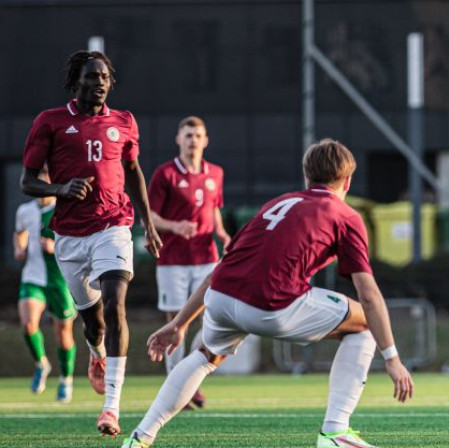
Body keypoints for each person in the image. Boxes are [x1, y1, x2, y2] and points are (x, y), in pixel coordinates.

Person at [121, 139, 414, 448]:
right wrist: (391, 358)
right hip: (270, 305)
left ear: (306, 176)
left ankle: (140, 437)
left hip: (220, 296)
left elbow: (220, 267)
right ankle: (335, 432)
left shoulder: (278, 203)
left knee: (205, 356)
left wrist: (179, 323)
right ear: (347, 181)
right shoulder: (346, 215)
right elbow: (368, 295)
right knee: (364, 323)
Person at [20, 50, 162, 436]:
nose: (99, 82)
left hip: (113, 225)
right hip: (69, 236)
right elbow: (27, 181)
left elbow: (132, 170)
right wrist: (60, 188)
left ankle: (111, 409)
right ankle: (96, 354)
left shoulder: (124, 122)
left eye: (104, 77)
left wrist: (148, 223)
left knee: (116, 303)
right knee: (94, 324)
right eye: (91, 77)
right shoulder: (50, 122)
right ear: (75, 83)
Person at [147, 116, 230, 409]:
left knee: (211, 318)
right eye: (188, 135)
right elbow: (151, 216)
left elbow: (214, 210)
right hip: (172, 261)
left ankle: (189, 379)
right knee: (175, 321)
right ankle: (176, 385)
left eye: (198, 135)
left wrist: (222, 233)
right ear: (178, 139)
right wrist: (174, 226)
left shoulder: (215, 173)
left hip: (206, 259)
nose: (193, 140)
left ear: (206, 140)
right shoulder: (165, 174)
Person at [14, 165, 77, 403]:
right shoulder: (25, 210)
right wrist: (19, 248)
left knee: (63, 332)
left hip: (59, 280)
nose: (42, 183)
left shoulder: (64, 210)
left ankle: (66, 379)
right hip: (33, 276)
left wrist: (55, 248)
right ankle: (41, 363)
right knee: (29, 324)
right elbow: (19, 232)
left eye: (47, 178)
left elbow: (76, 244)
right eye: (39, 179)